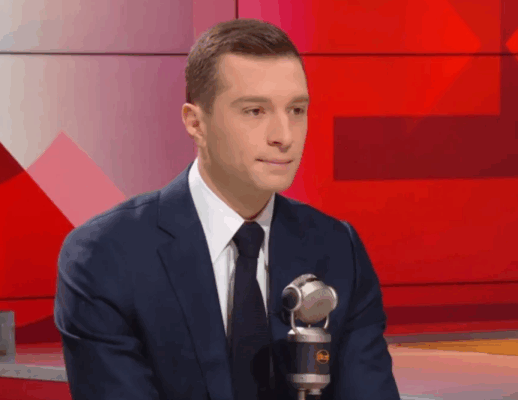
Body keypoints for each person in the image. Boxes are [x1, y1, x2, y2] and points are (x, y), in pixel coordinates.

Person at [54, 18, 401, 400]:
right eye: (255, 111)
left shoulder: (338, 249)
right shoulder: (105, 256)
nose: (284, 136)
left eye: (296, 110)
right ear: (195, 123)